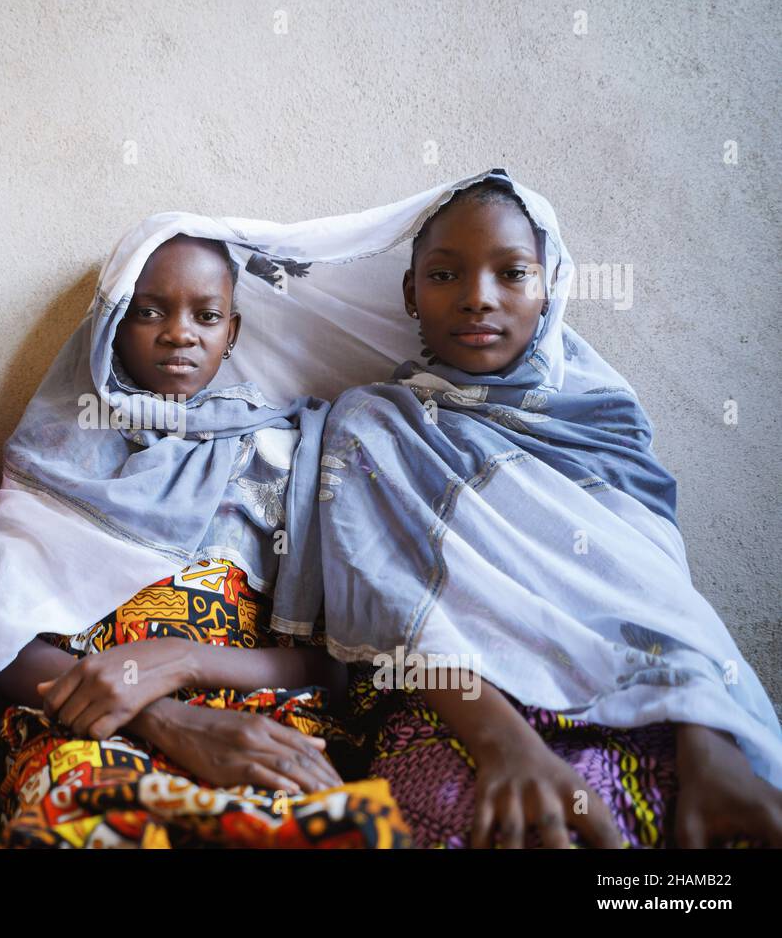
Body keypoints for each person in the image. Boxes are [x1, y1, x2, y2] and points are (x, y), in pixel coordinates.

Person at [316, 171, 782, 847]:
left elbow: (658, 603)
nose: (479, 299)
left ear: (550, 286)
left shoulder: (604, 422)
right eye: (446, 276)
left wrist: (708, 745)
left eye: (512, 273)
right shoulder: (377, 425)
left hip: (653, 703)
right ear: (411, 293)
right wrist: (508, 747)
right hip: (462, 711)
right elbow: (386, 603)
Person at [0, 222, 411, 848]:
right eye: (150, 311)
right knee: (84, 824)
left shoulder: (286, 454)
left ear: (231, 333)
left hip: (258, 710)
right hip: (88, 721)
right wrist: (157, 713)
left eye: (207, 315)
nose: (180, 332)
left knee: (330, 828)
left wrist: (179, 662)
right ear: (113, 323)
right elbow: (1, 642)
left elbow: (333, 657)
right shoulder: (55, 452)